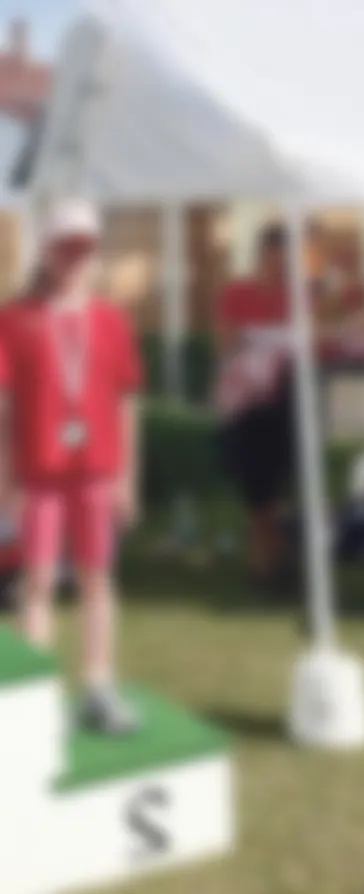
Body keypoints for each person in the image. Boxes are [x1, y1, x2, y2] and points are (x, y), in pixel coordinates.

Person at [0, 199, 144, 733]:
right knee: (35, 579)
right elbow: (5, 404)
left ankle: (98, 687)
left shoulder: (108, 320)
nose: (75, 262)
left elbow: (126, 399)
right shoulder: (17, 320)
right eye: (65, 251)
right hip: (39, 472)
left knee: (96, 578)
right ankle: (35, 689)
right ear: (47, 255)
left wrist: (127, 477)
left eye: (84, 252)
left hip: (97, 471)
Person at [215, 224, 298, 588]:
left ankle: (273, 553)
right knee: (255, 481)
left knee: (278, 478)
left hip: (286, 398)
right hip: (248, 400)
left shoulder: (296, 296)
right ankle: (266, 555)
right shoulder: (239, 293)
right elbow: (225, 340)